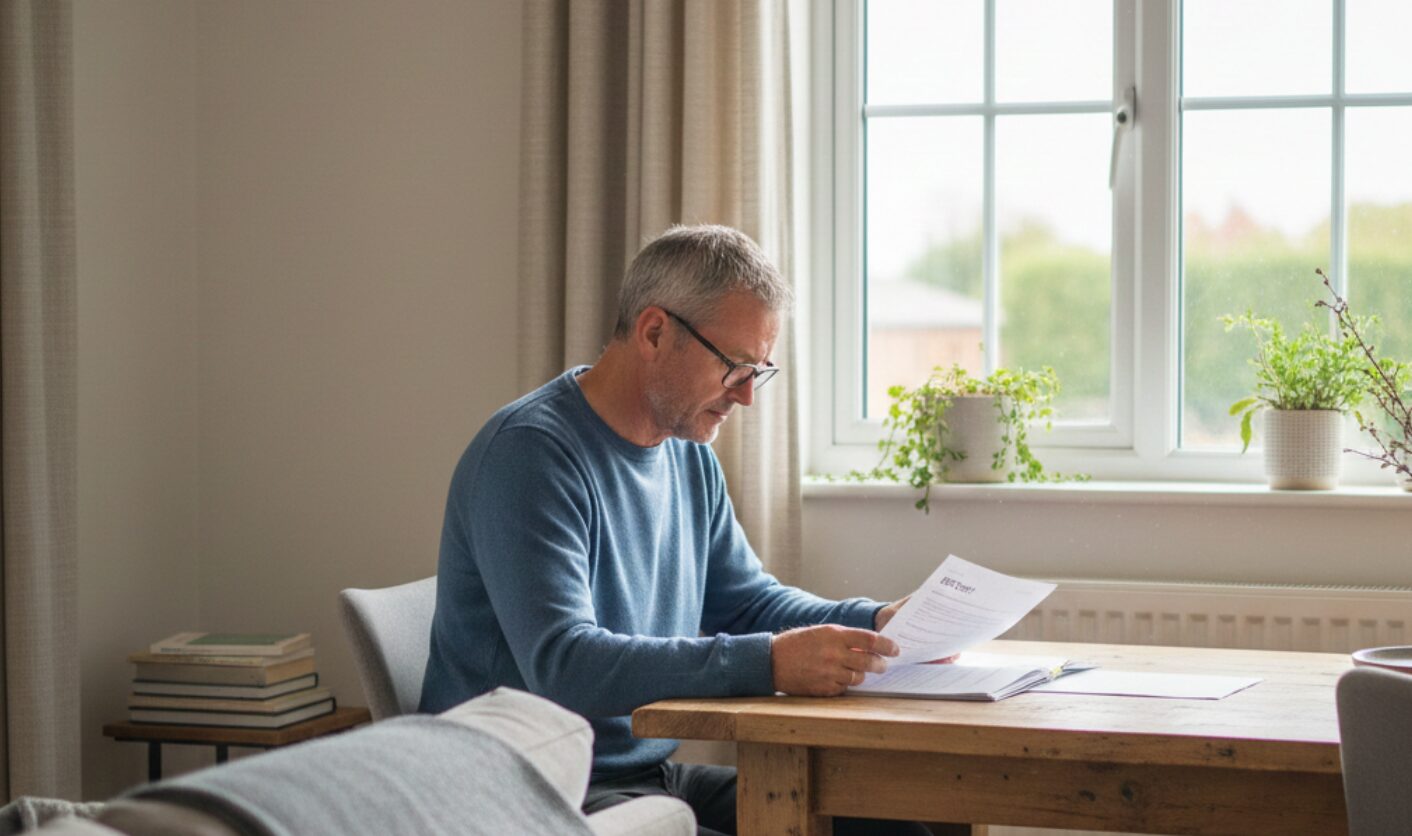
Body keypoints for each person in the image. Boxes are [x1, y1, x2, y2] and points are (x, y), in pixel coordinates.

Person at [420, 225, 930, 835]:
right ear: (655, 332)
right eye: (735, 367)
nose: (746, 397)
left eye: (758, 371)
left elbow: (745, 604)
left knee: (892, 828)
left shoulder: (687, 455)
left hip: (635, 778)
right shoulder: (530, 456)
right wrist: (770, 664)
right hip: (526, 790)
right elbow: (567, 664)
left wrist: (870, 625)